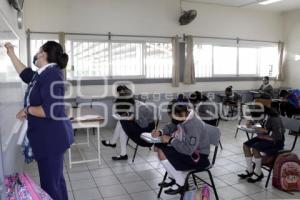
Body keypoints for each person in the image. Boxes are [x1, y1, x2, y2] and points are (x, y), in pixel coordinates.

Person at [5, 41, 74, 200]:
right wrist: (11, 53)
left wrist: (27, 110)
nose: (35, 55)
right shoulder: (43, 73)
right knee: (56, 181)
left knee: (51, 185)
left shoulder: (52, 75)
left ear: (43, 54)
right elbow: (25, 73)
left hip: (51, 140)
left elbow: (50, 110)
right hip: (49, 138)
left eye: (38, 51)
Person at [152, 97, 210, 195]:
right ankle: (173, 177)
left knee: (162, 151)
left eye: (173, 117)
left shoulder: (194, 125)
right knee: (158, 147)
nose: (172, 119)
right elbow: (172, 125)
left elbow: (188, 150)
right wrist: (160, 132)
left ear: (182, 113)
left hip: (198, 157)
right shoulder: (184, 116)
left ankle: (180, 182)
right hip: (189, 150)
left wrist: (170, 139)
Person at [238, 106, 285, 183]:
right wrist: (249, 122)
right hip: (264, 136)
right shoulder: (262, 116)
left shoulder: (274, 119)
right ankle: (250, 170)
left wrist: (263, 133)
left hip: (276, 141)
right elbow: (253, 123)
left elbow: (278, 137)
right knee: (245, 145)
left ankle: (258, 172)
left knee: (255, 148)